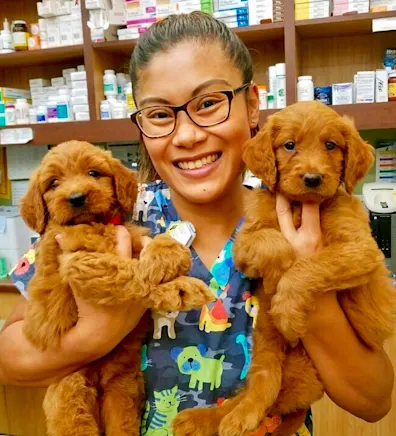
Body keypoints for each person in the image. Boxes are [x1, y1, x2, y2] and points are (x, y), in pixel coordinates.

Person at [0, 11, 393, 436]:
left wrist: (305, 282)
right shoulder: (112, 216)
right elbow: (9, 357)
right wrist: (98, 332)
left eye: (208, 104)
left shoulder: (306, 219)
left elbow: (373, 400)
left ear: (252, 104)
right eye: (159, 114)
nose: (186, 135)